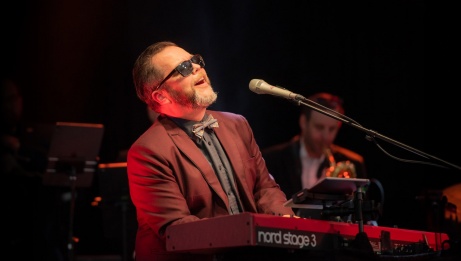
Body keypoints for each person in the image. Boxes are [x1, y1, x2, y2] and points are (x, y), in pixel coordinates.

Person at [127, 41, 295, 261]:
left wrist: (285, 222)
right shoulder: (147, 151)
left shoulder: (237, 124)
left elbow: (264, 187)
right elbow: (176, 229)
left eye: (195, 60)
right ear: (161, 96)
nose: (197, 67)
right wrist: (244, 233)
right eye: (184, 68)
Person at [262, 92, 373, 220]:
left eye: (332, 129)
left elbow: (361, 218)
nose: (326, 137)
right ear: (304, 122)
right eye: (319, 127)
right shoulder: (272, 159)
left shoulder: (354, 163)